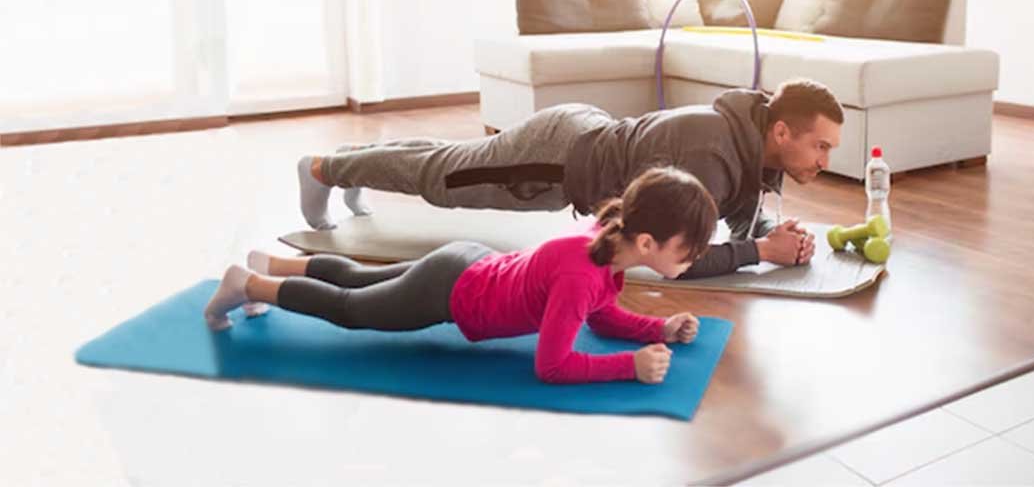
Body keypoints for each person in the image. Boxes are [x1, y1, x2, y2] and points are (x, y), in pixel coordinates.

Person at [205, 167, 719, 385]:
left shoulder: (607, 244)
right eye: (689, 249)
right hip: (451, 290)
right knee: (351, 308)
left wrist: (659, 329)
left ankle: (271, 263)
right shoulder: (584, 275)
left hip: (467, 262)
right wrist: (629, 367)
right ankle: (248, 285)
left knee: (361, 278)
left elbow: (599, 317)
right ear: (649, 244)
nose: (695, 257)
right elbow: (553, 365)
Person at [298, 78, 843, 278]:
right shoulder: (711, 159)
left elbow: (742, 226)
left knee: (452, 159)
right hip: (556, 160)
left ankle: (354, 158)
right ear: (779, 131)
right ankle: (326, 167)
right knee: (443, 178)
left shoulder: (752, 152)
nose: (824, 159)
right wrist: (763, 253)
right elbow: (678, 260)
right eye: (819, 145)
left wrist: (776, 237)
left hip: (582, 139)